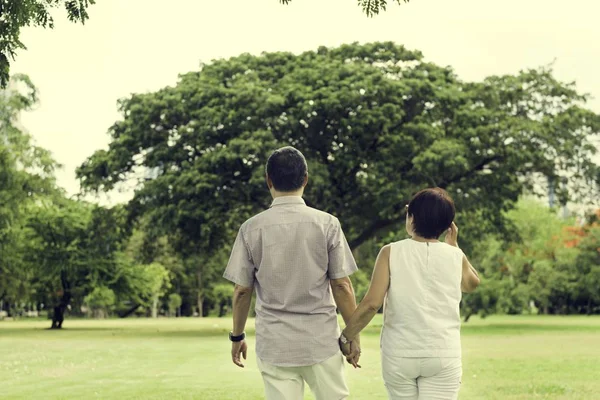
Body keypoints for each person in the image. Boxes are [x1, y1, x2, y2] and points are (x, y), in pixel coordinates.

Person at [223, 146, 361, 400]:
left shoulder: (251, 228)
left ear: (269, 180)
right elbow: (341, 285)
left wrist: (237, 336)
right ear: (305, 179)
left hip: (275, 344)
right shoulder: (327, 224)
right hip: (321, 341)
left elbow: (242, 290)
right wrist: (352, 336)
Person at [339, 188, 480, 400]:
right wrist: (455, 247)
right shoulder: (455, 256)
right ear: (447, 225)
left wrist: (346, 337)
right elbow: (472, 284)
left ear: (411, 217)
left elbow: (371, 304)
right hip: (442, 353)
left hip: (399, 354)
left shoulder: (390, 252)